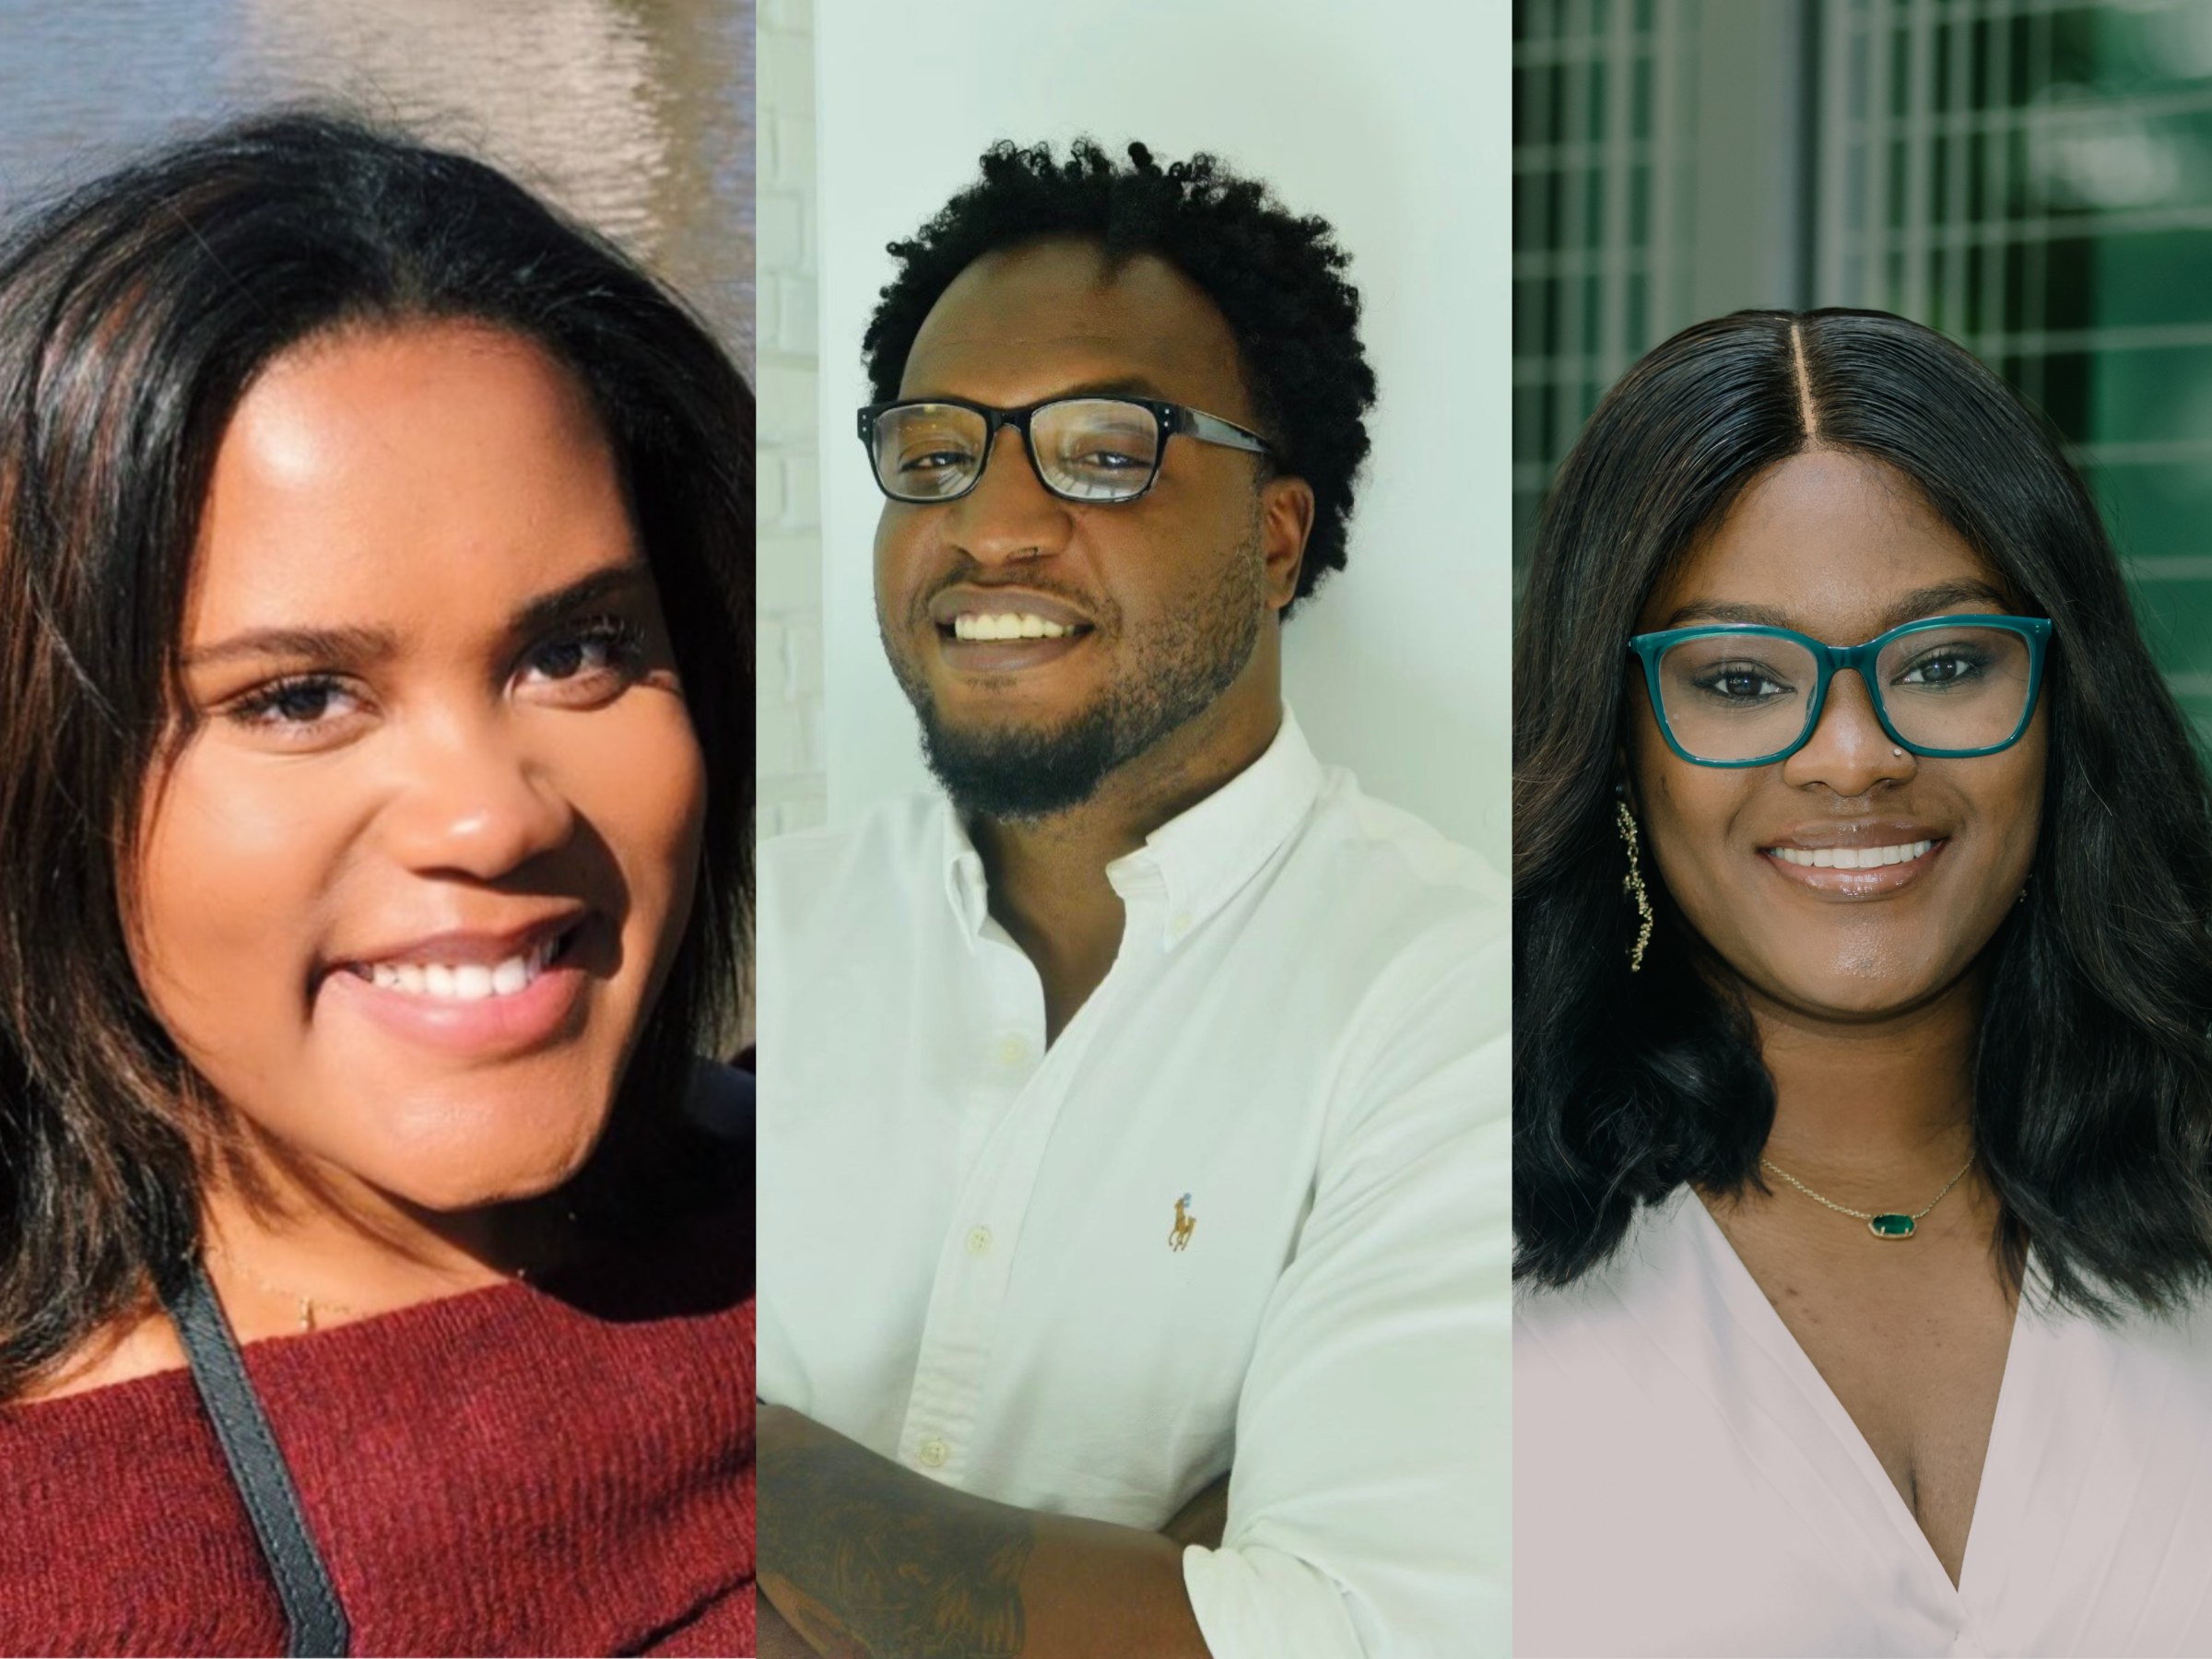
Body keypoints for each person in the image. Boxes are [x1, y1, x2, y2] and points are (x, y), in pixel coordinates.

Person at [0, 112, 755, 1654]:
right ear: (49, 781)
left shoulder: (898, 1220)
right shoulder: (66, 1548)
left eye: (577, 650)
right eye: (295, 697)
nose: (487, 819)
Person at [756, 139, 1508, 1658]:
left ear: (1276, 537)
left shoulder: (1458, 1007)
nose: (993, 524)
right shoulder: (747, 942)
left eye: (1104, 451)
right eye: (935, 451)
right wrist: (1158, 1581)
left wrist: (718, 1458)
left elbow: (1356, 1635)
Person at [1512, 308, 2212, 1656]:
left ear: (2065, 703)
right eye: (1738, 680)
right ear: (1615, 743)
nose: (1851, 755)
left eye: (1945, 664)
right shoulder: (1440, 1212)